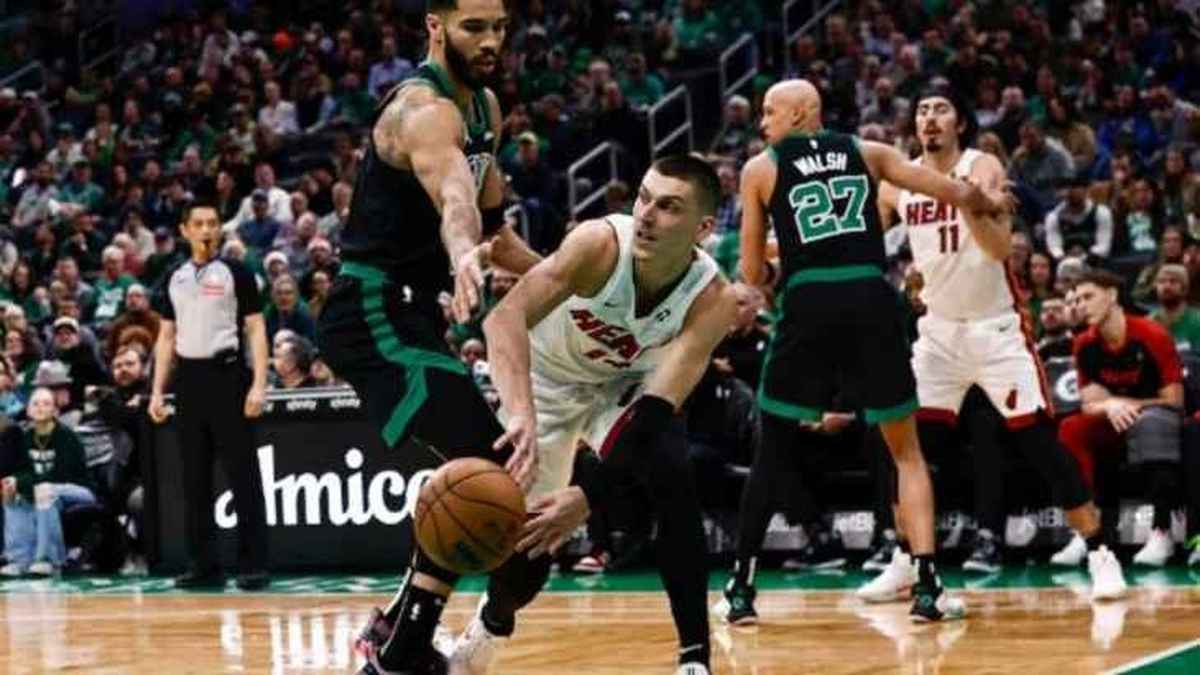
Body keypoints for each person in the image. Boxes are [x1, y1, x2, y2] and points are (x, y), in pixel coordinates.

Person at [721, 79, 1010, 625]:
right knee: (907, 452)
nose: (762, 123)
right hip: (871, 301)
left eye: (769, 112)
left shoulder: (760, 169)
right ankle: (927, 587)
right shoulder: (868, 151)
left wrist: (774, 265)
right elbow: (948, 190)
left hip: (808, 302)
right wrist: (990, 200)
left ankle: (741, 590)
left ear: (800, 113)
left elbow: (753, 273)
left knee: (773, 451)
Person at [441, 156, 736, 675]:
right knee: (530, 537)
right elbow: (504, 319)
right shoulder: (599, 244)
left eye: (669, 207)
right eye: (644, 198)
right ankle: (492, 622)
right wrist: (521, 415)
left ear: (704, 228)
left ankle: (695, 658)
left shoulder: (713, 300)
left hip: (624, 385)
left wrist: (587, 496)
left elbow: (654, 412)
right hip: (546, 380)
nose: (646, 215)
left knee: (672, 472)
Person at [314, 1, 542, 672]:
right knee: (489, 482)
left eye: (499, 27)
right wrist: (463, 253)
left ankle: (400, 639)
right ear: (436, 27)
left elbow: (496, 232)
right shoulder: (423, 111)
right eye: (474, 27)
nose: (491, 40)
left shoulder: (486, 109)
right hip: (370, 312)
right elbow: (456, 202)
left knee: (498, 497)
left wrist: (578, 278)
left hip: (413, 316)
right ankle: (403, 640)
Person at [869, 85, 1121, 598]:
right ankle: (906, 557)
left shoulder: (981, 166)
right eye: (922, 111)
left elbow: (998, 248)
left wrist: (968, 202)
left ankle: (1100, 552)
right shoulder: (899, 183)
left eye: (941, 109)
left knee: (1038, 443)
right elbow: (868, 237)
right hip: (938, 332)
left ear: (960, 123)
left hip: (996, 330)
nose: (929, 118)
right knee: (905, 444)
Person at [148, 200, 271, 591]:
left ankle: (253, 564)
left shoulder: (237, 272)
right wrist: (157, 391)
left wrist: (259, 384)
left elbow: (256, 329)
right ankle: (204, 565)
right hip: (188, 380)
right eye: (198, 223)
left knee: (242, 474)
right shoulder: (174, 276)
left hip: (228, 376)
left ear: (220, 229)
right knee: (194, 477)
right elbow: (166, 337)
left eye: (212, 223)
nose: (206, 230)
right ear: (184, 230)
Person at [1055, 269, 1184, 569]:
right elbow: (1089, 403)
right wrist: (1110, 405)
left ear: (1112, 296)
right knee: (1071, 428)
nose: (1080, 305)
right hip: (1114, 420)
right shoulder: (1084, 343)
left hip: (1157, 418)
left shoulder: (1151, 334)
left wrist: (1124, 403)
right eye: (1076, 300)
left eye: (1088, 297)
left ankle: (1161, 532)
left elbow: (1174, 400)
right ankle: (1086, 531)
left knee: (1151, 421)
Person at [0, 387, 96, 576]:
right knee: (12, 494)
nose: (40, 407)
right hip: (43, 490)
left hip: (79, 490)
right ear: (28, 410)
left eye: (46, 403)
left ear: (55, 410)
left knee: (44, 490)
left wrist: (24, 483)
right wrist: (14, 482)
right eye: (35, 403)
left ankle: (48, 559)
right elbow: (22, 472)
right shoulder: (24, 438)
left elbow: (61, 475)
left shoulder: (67, 436)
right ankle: (20, 559)